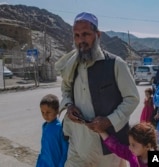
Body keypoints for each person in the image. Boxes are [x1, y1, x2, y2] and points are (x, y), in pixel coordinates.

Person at [55, 12, 140, 167]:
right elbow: (66, 89)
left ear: (97, 34)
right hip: (78, 142)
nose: (81, 40)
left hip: (108, 146)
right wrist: (69, 105)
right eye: (77, 35)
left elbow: (132, 98)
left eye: (86, 34)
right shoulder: (71, 64)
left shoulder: (116, 64)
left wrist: (109, 121)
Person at [36, 94, 68, 167]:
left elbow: (65, 150)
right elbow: (43, 148)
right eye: (42, 112)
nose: (45, 115)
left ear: (57, 111)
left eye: (48, 112)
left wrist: (61, 165)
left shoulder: (60, 128)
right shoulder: (44, 126)